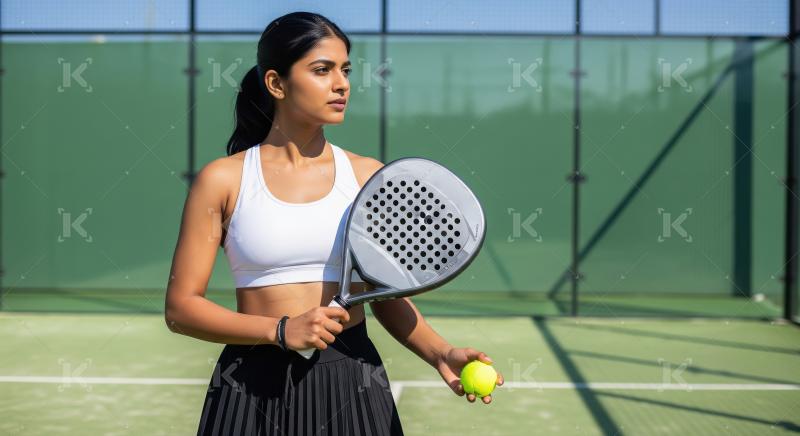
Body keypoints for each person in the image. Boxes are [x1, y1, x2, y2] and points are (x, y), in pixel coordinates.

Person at [164, 11, 503, 435]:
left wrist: (440, 352)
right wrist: (281, 330)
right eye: (322, 70)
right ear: (276, 83)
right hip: (248, 382)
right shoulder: (222, 179)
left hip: (352, 378)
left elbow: (383, 291)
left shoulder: (367, 177)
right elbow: (181, 309)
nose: (341, 83)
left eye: (345, 70)